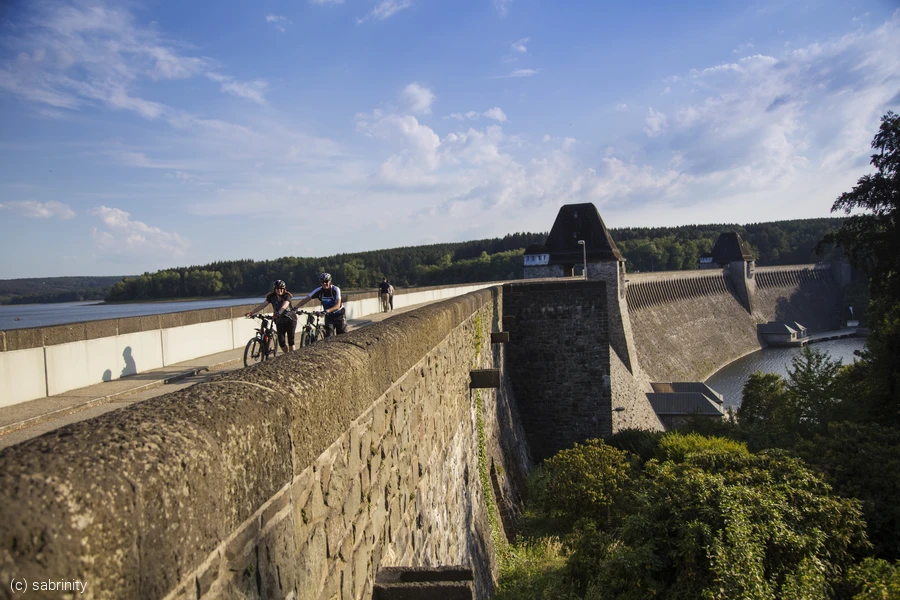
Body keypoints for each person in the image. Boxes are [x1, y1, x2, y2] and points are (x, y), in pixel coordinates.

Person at [246, 280, 297, 352]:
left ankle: (292, 355)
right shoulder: (272, 297)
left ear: (284, 289)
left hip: (290, 319)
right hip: (279, 321)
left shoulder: (287, 296)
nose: (279, 290)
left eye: (281, 288)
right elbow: (262, 305)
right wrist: (251, 312)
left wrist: (278, 313)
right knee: (281, 342)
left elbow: (284, 306)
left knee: (291, 341)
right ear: (274, 289)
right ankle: (287, 355)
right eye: (277, 288)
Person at [294, 272, 347, 337]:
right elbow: (306, 299)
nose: (324, 283)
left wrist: (327, 311)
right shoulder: (319, 291)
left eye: (326, 281)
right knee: (329, 337)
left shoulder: (335, 289)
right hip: (329, 316)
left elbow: (338, 305)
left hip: (339, 315)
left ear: (330, 281)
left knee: (342, 336)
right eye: (322, 282)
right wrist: (296, 307)